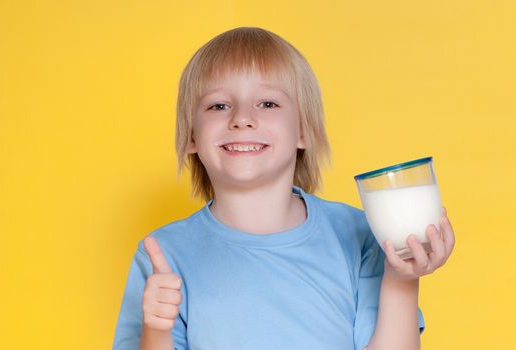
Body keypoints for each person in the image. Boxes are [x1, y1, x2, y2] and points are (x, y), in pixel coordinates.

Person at [112, 27, 455, 350]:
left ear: (303, 131)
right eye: (219, 105)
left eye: (268, 104)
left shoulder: (361, 236)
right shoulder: (163, 256)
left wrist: (401, 279)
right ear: (191, 136)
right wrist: (156, 332)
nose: (242, 118)